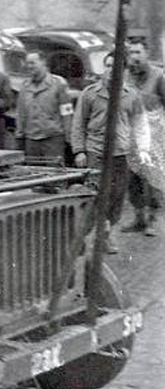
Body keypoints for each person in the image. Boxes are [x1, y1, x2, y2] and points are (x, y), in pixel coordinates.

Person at [71, 51, 151, 254]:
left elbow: (141, 125)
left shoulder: (132, 95)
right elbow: (78, 123)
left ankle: (106, 234)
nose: (109, 71)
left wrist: (142, 149)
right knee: (94, 196)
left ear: (123, 71)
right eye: (107, 65)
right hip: (95, 152)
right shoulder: (89, 93)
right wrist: (79, 150)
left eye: (114, 67)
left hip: (121, 154)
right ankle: (82, 237)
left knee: (116, 198)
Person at [123, 41, 165, 236]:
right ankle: (138, 218)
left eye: (138, 52)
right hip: (130, 137)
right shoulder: (126, 76)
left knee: (152, 180)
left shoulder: (158, 76)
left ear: (146, 53)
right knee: (133, 179)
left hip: (154, 138)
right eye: (131, 52)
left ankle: (152, 220)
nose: (135, 56)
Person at [15, 50, 73, 160]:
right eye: (27, 63)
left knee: (56, 172)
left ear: (43, 63)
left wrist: (68, 137)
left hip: (53, 139)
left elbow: (67, 113)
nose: (29, 66)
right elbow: (21, 113)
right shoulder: (24, 86)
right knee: (34, 173)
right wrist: (19, 135)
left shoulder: (58, 83)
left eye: (33, 63)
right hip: (31, 140)